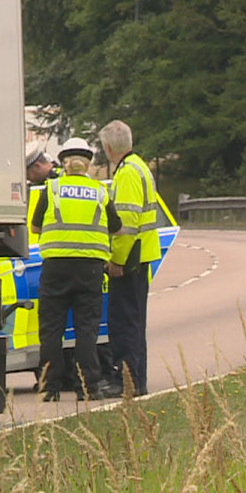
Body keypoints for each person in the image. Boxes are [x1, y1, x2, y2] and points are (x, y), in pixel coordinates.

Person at [31, 137, 122, 401]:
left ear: (64, 163)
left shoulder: (53, 189)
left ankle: (49, 388)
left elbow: (36, 227)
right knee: (86, 330)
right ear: (89, 163)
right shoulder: (100, 192)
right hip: (90, 269)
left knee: (51, 330)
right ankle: (87, 387)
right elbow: (115, 228)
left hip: (55, 266)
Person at [97, 120, 161, 397]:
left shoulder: (127, 174)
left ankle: (127, 381)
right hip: (141, 256)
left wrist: (117, 261)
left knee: (124, 324)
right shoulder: (140, 167)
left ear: (109, 148)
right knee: (134, 323)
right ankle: (136, 380)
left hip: (130, 259)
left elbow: (126, 225)